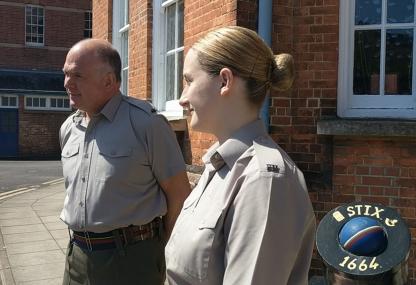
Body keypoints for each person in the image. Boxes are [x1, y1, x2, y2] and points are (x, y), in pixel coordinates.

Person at [165, 26, 316, 285]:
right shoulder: (220, 165)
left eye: (189, 81)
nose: (182, 99)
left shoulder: (264, 181)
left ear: (225, 81)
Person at [59, 38, 191, 285]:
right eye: (66, 74)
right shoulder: (68, 128)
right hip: (76, 255)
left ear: (108, 81)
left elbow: (179, 195)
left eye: (77, 75)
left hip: (131, 258)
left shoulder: (146, 124)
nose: (67, 83)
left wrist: (167, 255)